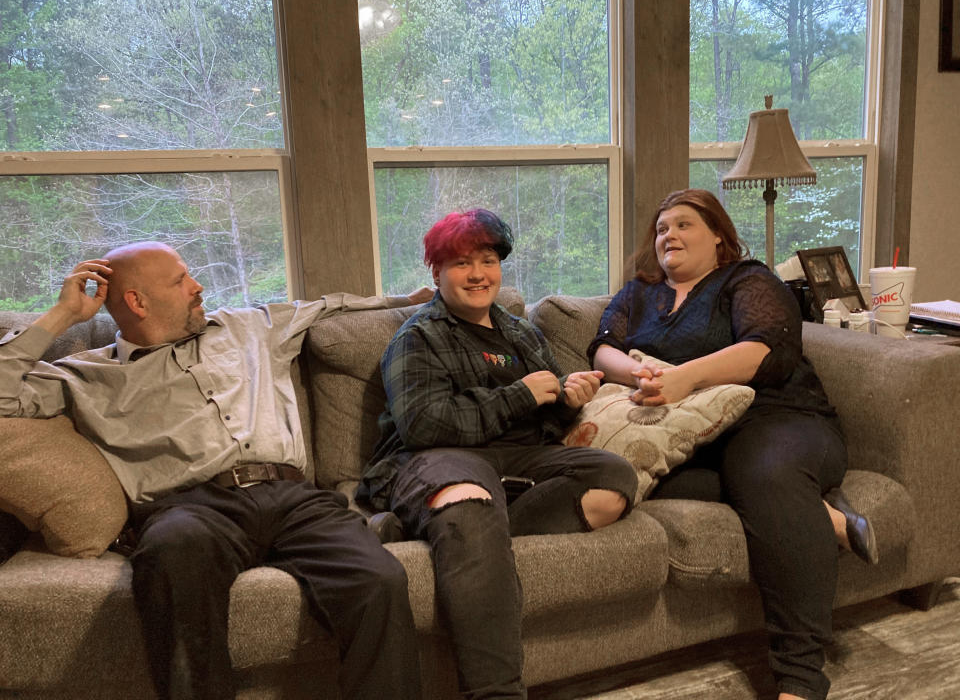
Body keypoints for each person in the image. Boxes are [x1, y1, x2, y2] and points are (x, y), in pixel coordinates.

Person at [0, 241, 430, 700]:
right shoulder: (85, 375)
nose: (197, 286)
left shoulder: (251, 326)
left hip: (295, 498)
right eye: (181, 280)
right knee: (169, 555)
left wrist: (410, 300)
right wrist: (63, 315)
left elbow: (332, 307)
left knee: (380, 580)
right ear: (137, 302)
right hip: (191, 508)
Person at [589, 188, 877, 700]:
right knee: (651, 482)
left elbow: (770, 348)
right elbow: (603, 346)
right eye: (661, 228)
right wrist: (640, 373)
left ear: (718, 235)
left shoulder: (746, 279)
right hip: (695, 433)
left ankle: (800, 677)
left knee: (764, 478)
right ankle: (824, 514)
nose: (668, 235)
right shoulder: (638, 293)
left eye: (683, 225)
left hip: (779, 417)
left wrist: (684, 379)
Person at [358, 208, 639, 700]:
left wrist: (567, 401)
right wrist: (521, 395)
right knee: (469, 497)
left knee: (612, 478)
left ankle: (441, 526)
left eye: (487, 260)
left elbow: (544, 417)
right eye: (462, 263)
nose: (478, 274)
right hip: (437, 456)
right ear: (437, 272)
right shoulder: (418, 338)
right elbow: (424, 424)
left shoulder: (522, 333)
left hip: (518, 461)